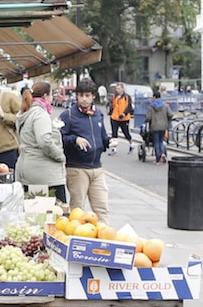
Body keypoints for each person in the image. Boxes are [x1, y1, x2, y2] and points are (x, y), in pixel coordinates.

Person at [60, 77, 111, 223]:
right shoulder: (68, 115)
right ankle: (77, 241)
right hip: (77, 168)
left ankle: (105, 239)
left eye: (87, 95)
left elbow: (102, 137)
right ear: (76, 96)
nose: (84, 99)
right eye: (81, 95)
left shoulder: (98, 114)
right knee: (77, 210)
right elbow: (59, 138)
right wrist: (75, 139)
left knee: (101, 208)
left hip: (97, 168)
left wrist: (109, 142)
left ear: (93, 96)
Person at [16, 80, 67, 205]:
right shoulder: (40, 114)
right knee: (55, 214)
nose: (51, 98)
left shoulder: (26, 111)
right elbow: (44, 141)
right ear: (45, 96)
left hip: (28, 170)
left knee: (34, 213)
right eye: (51, 95)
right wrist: (60, 156)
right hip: (46, 175)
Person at [144, 90, 173, 165]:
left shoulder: (151, 106)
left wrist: (146, 121)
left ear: (154, 97)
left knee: (156, 142)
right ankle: (163, 153)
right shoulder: (165, 106)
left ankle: (157, 159)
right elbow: (170, 115)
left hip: (154, 127)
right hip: (163, 126)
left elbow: (148, 118)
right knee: (161, 141)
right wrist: (167, 122)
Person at [108, 82, 134, 154]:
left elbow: (129, 107)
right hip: (114, 117)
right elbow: (113, 105)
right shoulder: (115, 96)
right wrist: (111, 112)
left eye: (119, 88)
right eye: (116, 88)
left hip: (124, 118)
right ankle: (114, 149)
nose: (117, 90)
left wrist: (124, 114)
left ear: (122, 89)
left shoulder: (127, 97)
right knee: (114, 133)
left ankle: (131, 144)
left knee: (126, 133)